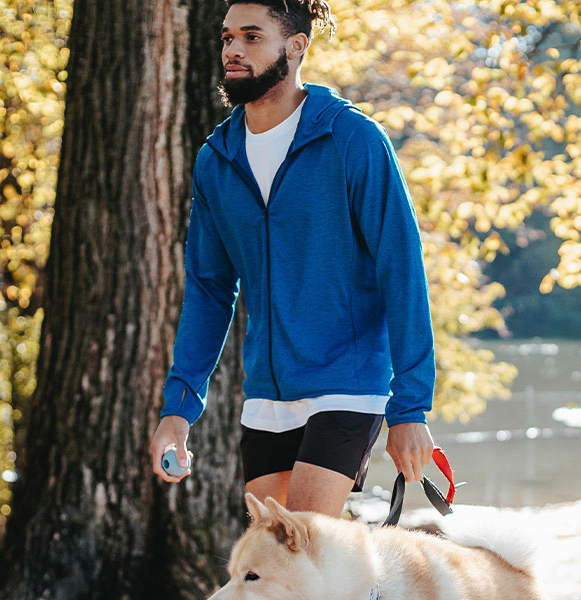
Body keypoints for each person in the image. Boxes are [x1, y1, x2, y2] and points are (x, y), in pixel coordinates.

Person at [148, 0, 437, 520]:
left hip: (347, 384)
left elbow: (402, 270)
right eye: (227, 37)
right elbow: (210, 291)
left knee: (300, 549)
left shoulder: (351, 139)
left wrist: (410, 407)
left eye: (251, 37)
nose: (233, 50)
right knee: (282, 563)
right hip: (267, 393)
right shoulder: (217, 158)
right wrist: (179, 408)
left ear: (296, 46)